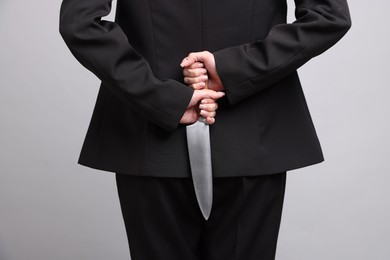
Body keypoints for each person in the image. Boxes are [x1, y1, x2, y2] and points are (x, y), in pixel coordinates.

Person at [59, 0, 351, 259]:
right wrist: (232, 68)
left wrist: (161, 96)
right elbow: (329, 16)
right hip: (253, 134)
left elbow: (79, 24)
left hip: (149, 136)